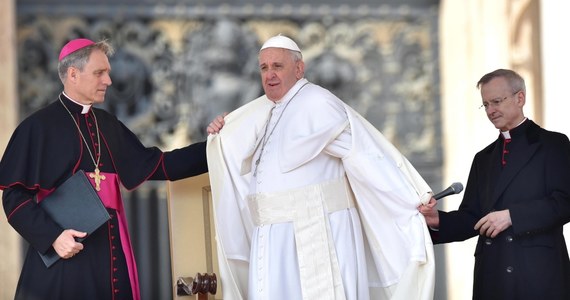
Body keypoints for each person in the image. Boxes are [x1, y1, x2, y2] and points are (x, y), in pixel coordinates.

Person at [205, 35, 435, 300]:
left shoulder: (318, 103)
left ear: (299, 68)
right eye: (264, 68)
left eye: (277, 66)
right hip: (272, 238)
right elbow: (236, 154)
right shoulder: (264, 110)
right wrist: (220, 133)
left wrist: (410, 198)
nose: (270, 75)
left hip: (314, 234)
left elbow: (367, 156)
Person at [0, 38, 214, 300]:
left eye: (108, 73)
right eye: (99, 73)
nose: (109, 81)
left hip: (111, 253)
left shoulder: (108, 125)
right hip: (65, 259)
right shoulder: (37, 127)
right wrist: (53, 237)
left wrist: (216, 146)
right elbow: (13, 198)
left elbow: (161, 165)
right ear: (73, 74)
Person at [419, 68, 570, 300]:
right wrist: (437, 220)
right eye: (486, 104)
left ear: (520, 98)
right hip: (493, 275)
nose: (490, 111)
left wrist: (512, 216)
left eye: (497, 102)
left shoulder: (553, 144)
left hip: (538, 274)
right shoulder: (484, 158)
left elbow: (564, 203)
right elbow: (472, 217)